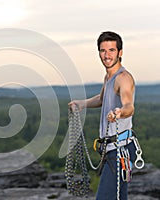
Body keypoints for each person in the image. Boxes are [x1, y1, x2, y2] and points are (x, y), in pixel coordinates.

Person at [68, 31, 136, 200]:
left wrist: (120, 112)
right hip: (113, 149)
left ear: (120, 53)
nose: (107, 55)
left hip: (120, 151)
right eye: (103, 50)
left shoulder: (123, 78)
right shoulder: (109, 77)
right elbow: (101, 98)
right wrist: (82, 104)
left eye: (112, 50)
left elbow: (129, 105)